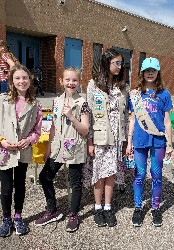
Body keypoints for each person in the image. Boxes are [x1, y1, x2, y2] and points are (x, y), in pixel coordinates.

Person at [34, 67, 90, 232]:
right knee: (45, 176)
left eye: (74, 80)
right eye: (68, 80)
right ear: (61, 82)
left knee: (75, 182)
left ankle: (73, 214)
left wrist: (72, 116)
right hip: (58, 147)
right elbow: (52, 127)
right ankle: (52, 210)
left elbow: (85, 130)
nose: (71, 83)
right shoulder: (56, 101)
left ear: (79, 83)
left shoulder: (82, 103)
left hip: (75, 148)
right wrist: (48, 148)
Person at [126, 57, 174, 227]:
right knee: (139, 175)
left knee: (156, 176)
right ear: (142, 72)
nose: (150, 73)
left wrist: (170, 144)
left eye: (153, 71)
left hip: (158, 141)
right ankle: (138, 208)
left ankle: (155, 208)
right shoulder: (135, 94)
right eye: (147, 70)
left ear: (157, 73)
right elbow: (132, 120)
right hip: (140, 140)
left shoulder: (164, 94)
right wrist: (129, 142)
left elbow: (167, 121)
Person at [85, 48, 129, 227]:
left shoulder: (123, 87)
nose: (119, 66)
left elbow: (125, 115)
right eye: (116, 63)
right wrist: (89, 141)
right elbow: (87, 113)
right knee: (98, 173)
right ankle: (97, 207)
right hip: (99, 137)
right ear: (107, 63)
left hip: (117, 138)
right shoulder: (93, 85)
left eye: (121, 63)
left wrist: (126, 139)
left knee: (111, 173)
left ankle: (108, 207)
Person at [0, 64, 42, 237]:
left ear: (29, 80)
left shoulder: (35, 104)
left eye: (25, 78)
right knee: (6, 188)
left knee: (20, 185)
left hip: (23, 152)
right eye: (17, 78)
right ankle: (6, 218)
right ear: (11, 80)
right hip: (5, 152)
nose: (21, 81)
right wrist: (2, 141)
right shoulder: (2, 100)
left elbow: (38, 131)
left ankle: (18, 216)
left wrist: (29, 140)